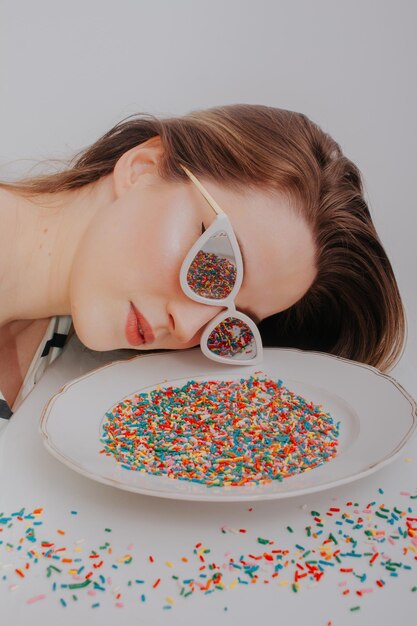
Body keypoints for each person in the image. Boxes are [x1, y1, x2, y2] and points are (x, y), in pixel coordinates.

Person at [0, 104, 406, 421]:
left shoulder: (64, 361)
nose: (191, 328)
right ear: (144, 167)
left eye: (232, 324)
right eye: (215, 268)